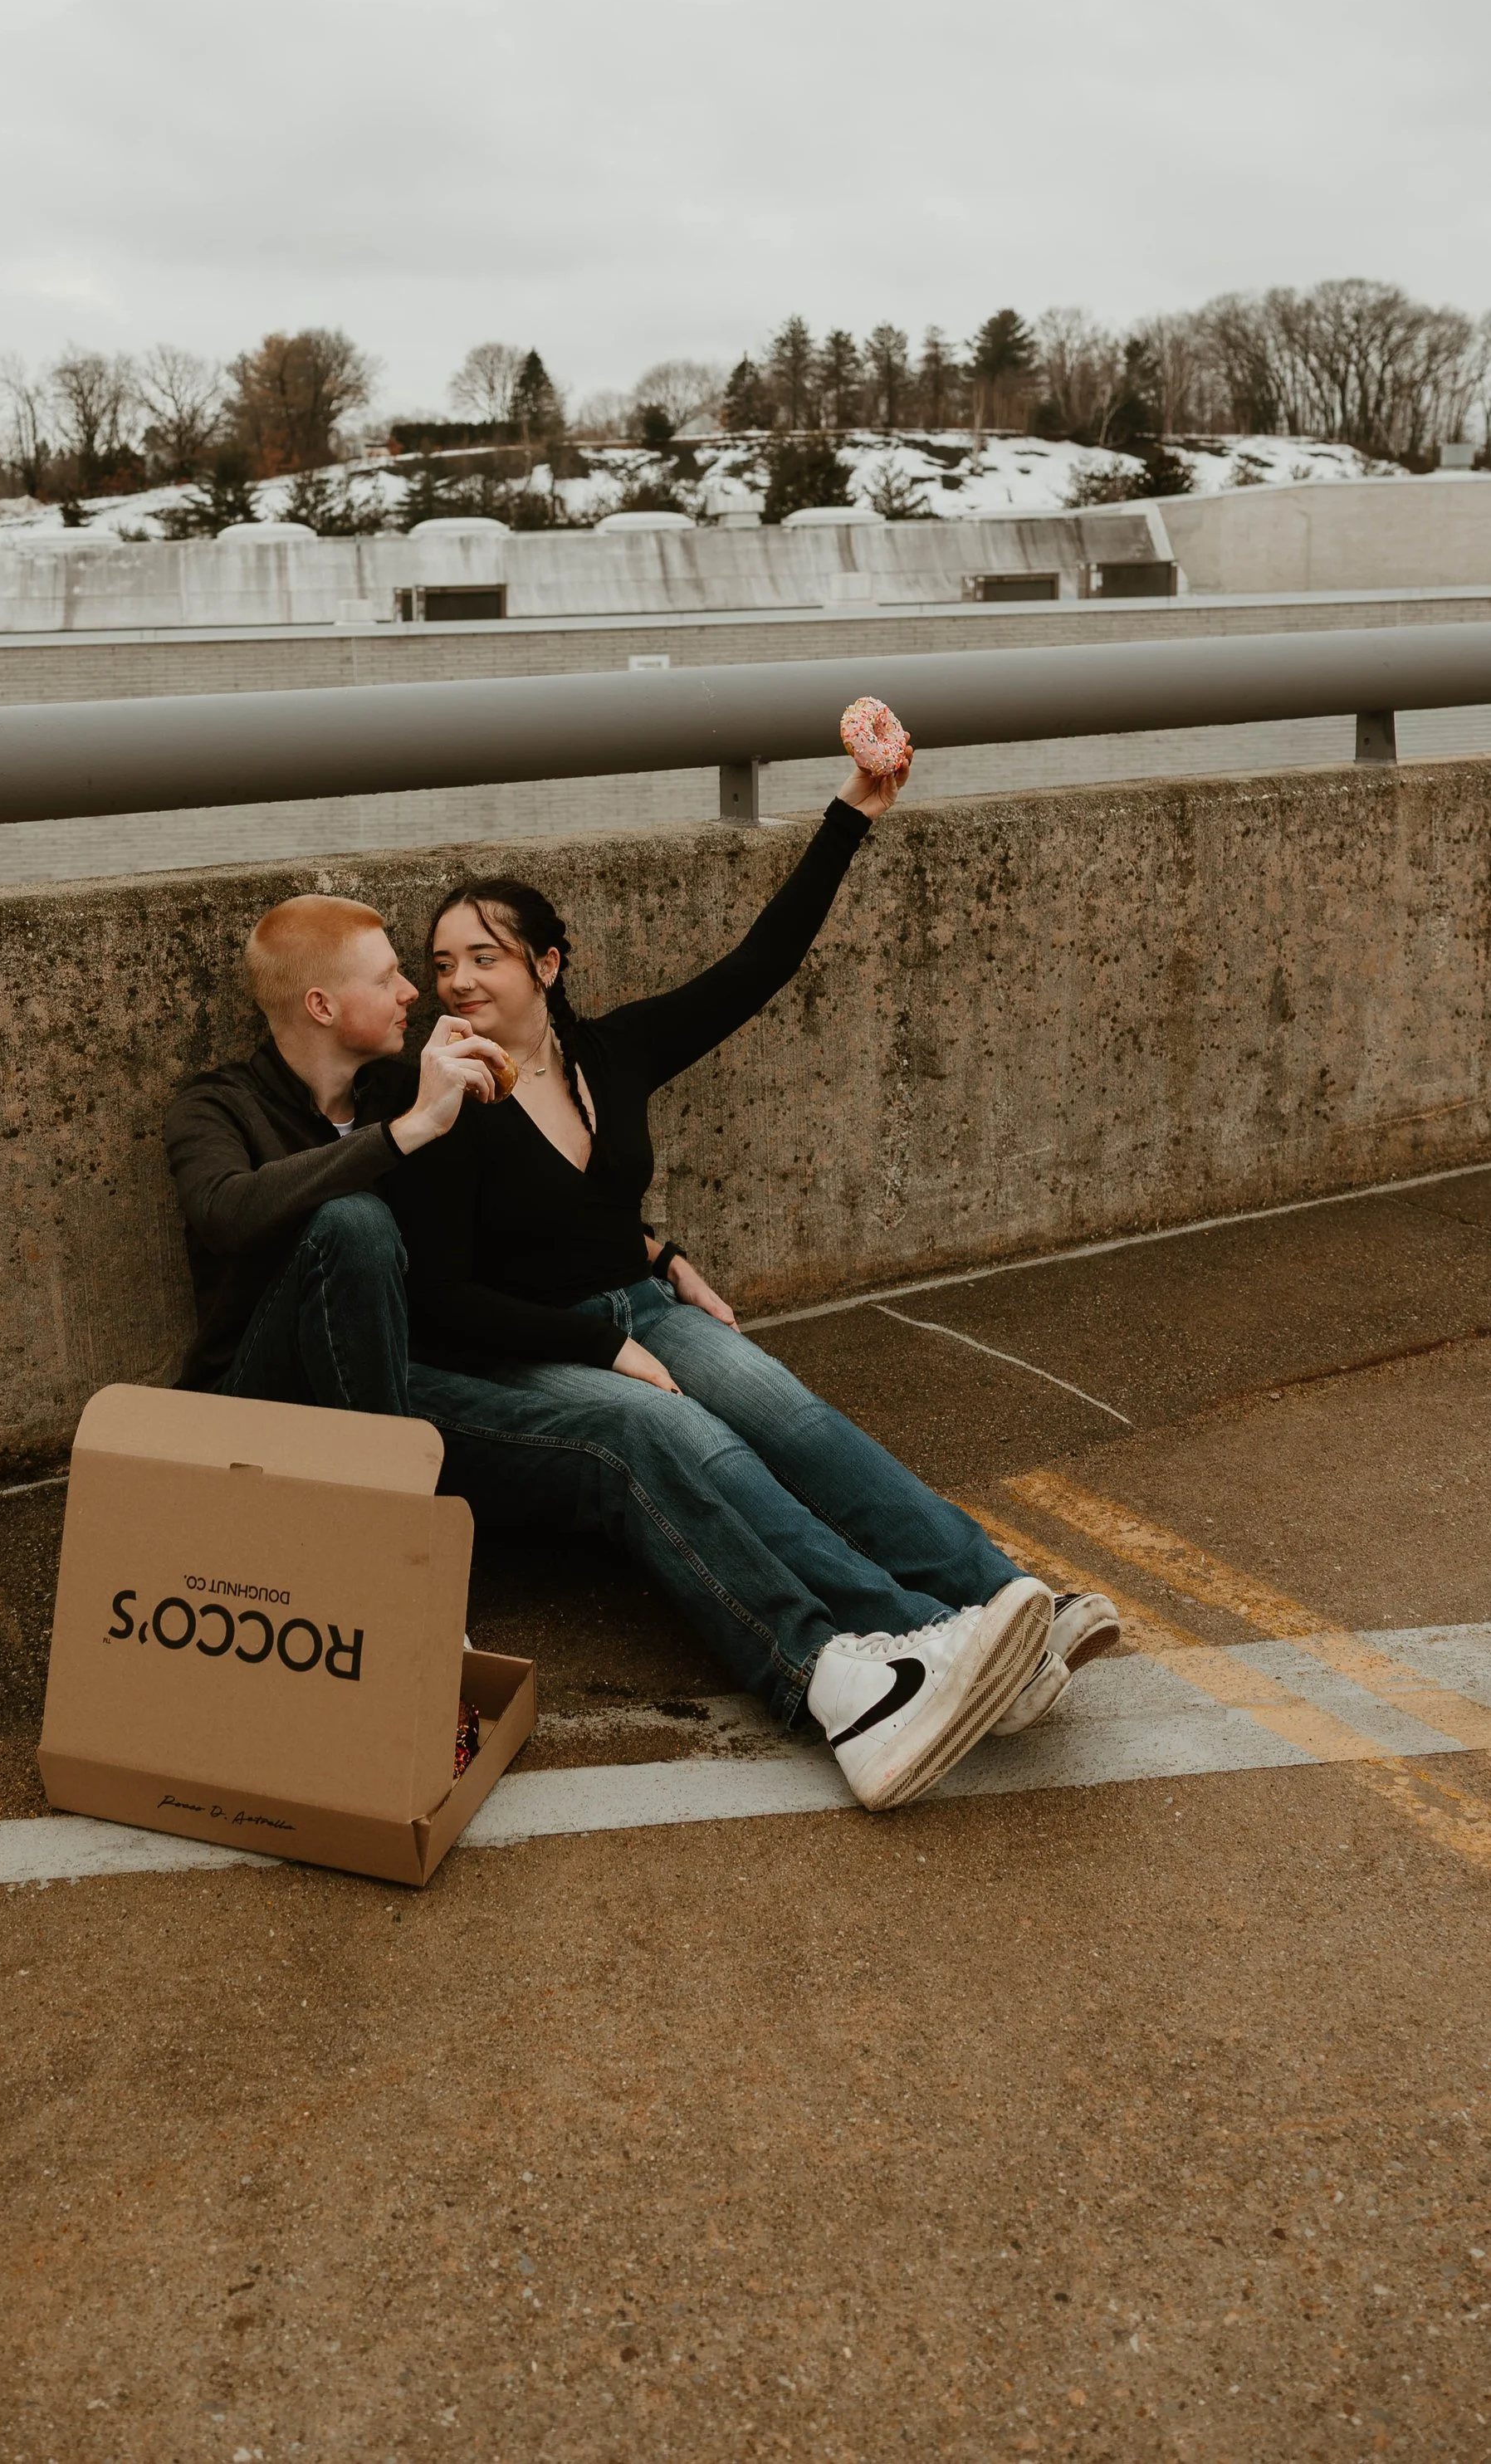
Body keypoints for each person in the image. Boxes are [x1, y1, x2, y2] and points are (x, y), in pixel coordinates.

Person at [387, 761, 1121, 1813]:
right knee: (705, 1445)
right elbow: (443, 1295)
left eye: (485, 959)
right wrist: (604, 1348)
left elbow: (759, 964)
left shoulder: (610, 1051)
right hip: (528, 1342)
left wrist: (851, 815)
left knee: (792, 1412)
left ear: (548, 964)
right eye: (442, 964)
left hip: (634, 1306)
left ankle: (1005, 1601)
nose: (458, 983)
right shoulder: (439, 1095)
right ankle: (908, 1635)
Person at [164, 892, 507, 1412]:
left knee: (614, 1436)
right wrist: (407, 1132)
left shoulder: (406, 1092)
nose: (411, 992)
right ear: (321, 1005)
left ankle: (390, 1468)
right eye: (386, 978)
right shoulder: (215, 1105)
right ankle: (386, 1484)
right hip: (258, 1399)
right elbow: (225, 1212)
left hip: (396, 1375)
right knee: (356, 1221)